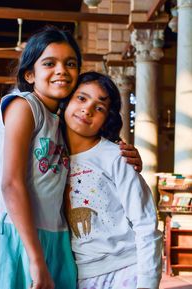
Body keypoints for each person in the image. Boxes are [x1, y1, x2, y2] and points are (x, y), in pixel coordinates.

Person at [0, 27, 142, 289]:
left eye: (70, 64)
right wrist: (36, 260)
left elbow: (91, 153)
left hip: (56, 237)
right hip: (15, 236)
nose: (61, 70)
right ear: (30, 74)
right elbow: (11, 183)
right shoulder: (23, 106)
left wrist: (126, 153)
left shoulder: (60, 121)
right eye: (50, 63)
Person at [63, 72, 162, 289]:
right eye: (81, 98)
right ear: (66, 100)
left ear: (107, 118)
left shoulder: (117, 157)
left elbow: (145, 223)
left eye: (99, 108)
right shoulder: (50, 156)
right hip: (79, 274)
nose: (87, 109)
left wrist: (146, 284)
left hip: (125, 270)